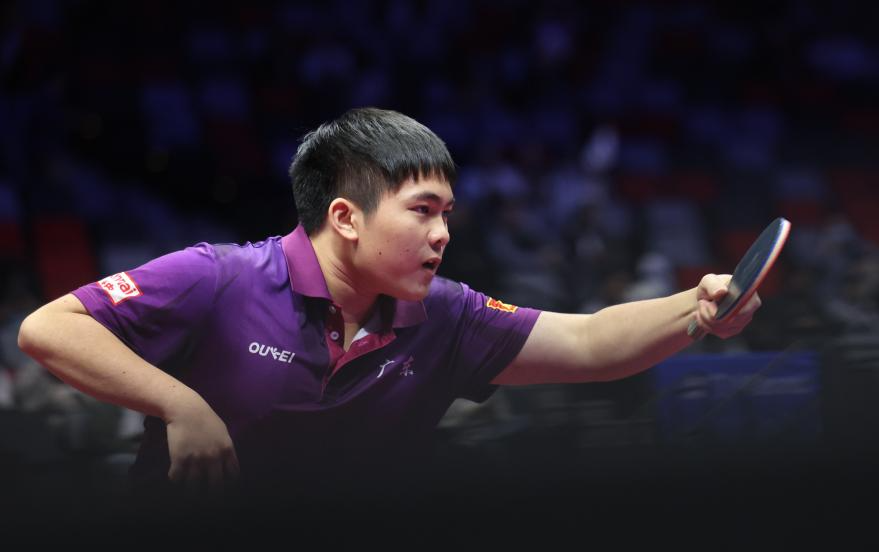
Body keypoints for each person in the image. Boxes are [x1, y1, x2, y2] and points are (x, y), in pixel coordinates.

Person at [17, 108, 759, 495]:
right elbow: (50, 327)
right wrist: (182, 405)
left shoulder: (445, 314)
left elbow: (592, 343)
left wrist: (694, 309)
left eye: (447, 214)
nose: (443, 234)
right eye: (422, 211)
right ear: (345, 217)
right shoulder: (219, 277)